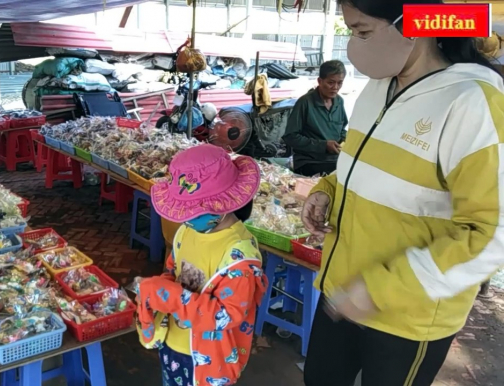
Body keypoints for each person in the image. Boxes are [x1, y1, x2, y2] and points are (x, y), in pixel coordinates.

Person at [301, 1, 504, 385]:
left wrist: (380, 289)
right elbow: (363, 163)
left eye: (362, 32)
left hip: (407, 317)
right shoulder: (378, 88)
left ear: (413, 24)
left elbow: (490, 235)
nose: (354, 46)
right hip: (342, 291)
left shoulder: (473, 104)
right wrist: (327, 189)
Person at [135, 144, 267, 386]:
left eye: (194, 211)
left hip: (210, 363)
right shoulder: (186, 232)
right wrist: (157, 288)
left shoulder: (240, 257)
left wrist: (172, 296)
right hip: (173, 344)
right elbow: (175, 272)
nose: (187, 218)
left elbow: (228, 316)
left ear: (223, 203)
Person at [283, 60, 348, 176]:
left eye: (340, 83)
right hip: (308, 161)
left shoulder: (339, 102)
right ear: (319, 81)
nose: (335, 87)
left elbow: (341, 129)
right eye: (331, 82)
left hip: (334, 159)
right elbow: (290, 137)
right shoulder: (305, 103)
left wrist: (345, 140)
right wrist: (323, 145)